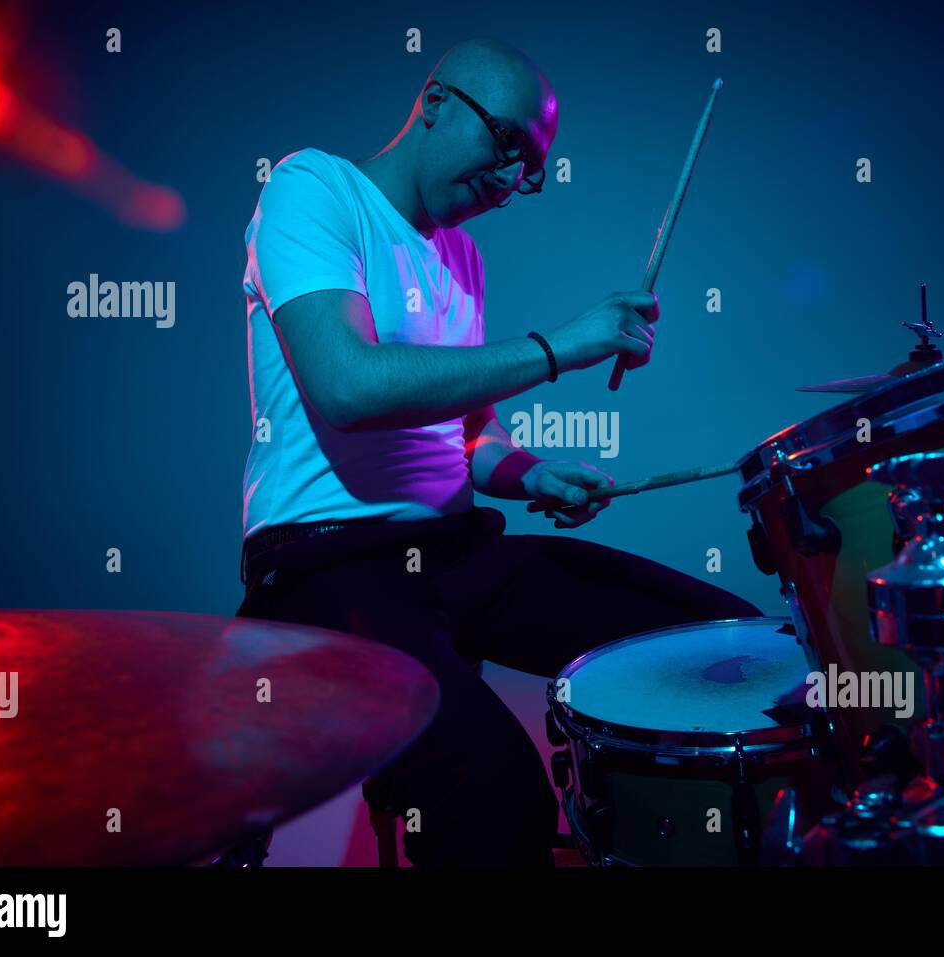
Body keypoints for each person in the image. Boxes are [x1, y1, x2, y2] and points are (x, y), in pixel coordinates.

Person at [235, 36, 761, 866]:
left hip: (454, 550)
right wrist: (559, 346)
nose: (515, 180)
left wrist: (534, 473)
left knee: (720, 647)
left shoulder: (462, 258)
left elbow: (466, 433)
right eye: (508, 145)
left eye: (534, 168)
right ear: (437, 102)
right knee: (498, 797)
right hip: (326, 566)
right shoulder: (312, 187)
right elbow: (349, 384)